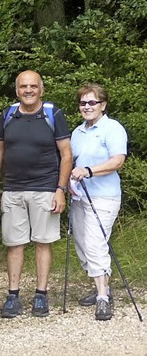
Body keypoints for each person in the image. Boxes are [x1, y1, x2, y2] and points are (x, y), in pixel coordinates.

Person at [0, 70, 72, 318]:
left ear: (41, 90)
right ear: (17, 90)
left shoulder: (52, 114)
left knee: (42, 242)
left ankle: (40, 295)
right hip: (12, 188)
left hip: (45, 188)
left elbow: (66, 154)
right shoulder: (8, 114)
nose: (28, 90)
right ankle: (12, 296)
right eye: (23, 86)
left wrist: (61, 189)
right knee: (14, 244)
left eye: (33, 86)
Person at [69, 84, 127, 321]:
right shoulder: (77, 132)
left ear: (103, 105)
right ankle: (102, 286)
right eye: (83, 103)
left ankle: (103, 297)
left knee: (95, 243)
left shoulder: (112, 128)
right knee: (82, 244)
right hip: (80, 196)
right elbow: (71, 162)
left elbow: (117, 161)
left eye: (92, 102)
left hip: (104, 196)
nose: (87, 107)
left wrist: (89, 171)